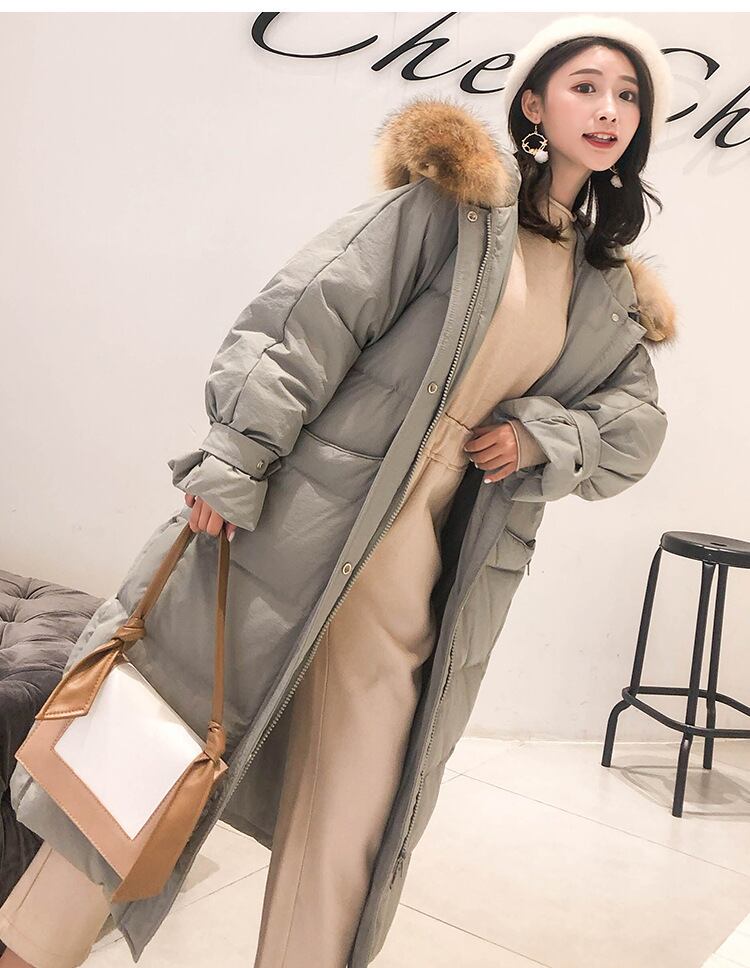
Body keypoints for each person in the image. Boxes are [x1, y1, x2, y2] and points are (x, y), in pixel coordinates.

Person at [0, 14, 677, 968]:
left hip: (426, 565)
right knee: (147, 750)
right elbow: (309, 316)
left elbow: (635, 428)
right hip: (302, 518)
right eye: (586, 87)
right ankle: (30, 951)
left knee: (356, 805)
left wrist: (543, 434)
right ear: (533, 102)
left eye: (628, 96)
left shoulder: (610, 291)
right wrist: (237, 456)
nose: (608, 110)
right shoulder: (452, 207)